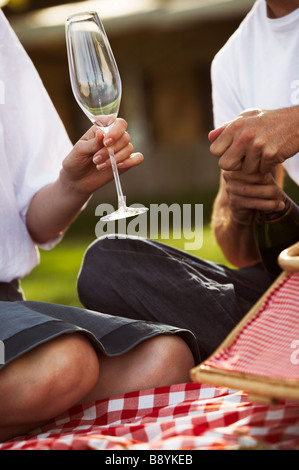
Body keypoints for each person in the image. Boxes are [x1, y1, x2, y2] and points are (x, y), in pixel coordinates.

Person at [0, 8, 198, 442]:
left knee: (165, 358)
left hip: (4, 305)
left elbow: (31, 222)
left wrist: (72, 185)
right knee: (63, 363)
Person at [77, 0, 299, 368]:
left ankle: (264, 352)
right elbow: (238, 251)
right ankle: (271, 347)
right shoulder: (235, 59)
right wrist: (244, 204)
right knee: (108, 266)